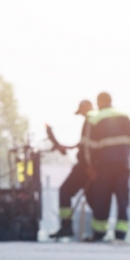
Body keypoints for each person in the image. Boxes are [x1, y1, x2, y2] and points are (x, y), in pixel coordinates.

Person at [85, 92, 130, 241]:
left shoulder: (94, 119)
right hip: (123, 164)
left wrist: (91, 166)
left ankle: (99, 233)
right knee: (122, 198)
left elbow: (91, 147)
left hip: (104, 166)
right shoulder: (125, 116)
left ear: (99, 102)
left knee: (102, 198)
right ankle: (121, 233)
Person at [50, 99, 94, 239]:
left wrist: (89, 165)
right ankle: (96, 232)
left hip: (85, 167)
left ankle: (66, 227)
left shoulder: (91, 121)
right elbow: (83, 144)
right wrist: (67, 147)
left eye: (82, 111)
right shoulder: (91, 122)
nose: (81, 115)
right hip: (89, 166)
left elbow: (88, 147)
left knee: (65, 191)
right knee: (93, 198)